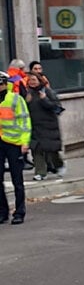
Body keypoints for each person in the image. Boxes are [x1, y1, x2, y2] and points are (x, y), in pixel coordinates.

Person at [0, 70, 32, 224]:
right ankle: (2, 212)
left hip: (14, 143)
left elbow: (25, 122)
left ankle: (19, 212)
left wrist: (25, 142)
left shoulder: (15, 99)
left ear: (4, 84)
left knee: (17, 180)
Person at [24, 72, 64, 180]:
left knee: (51, 150)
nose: (32, 82)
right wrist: (26, 102)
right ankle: (40, 172)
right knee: (36, 149)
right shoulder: (28, 94)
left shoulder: (47, 92)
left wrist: (44, 99)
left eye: (34, 80)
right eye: (30, 80)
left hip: (48, 126)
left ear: (39, 81)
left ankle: (59, 165)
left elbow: (57, 108)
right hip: (35, 126)